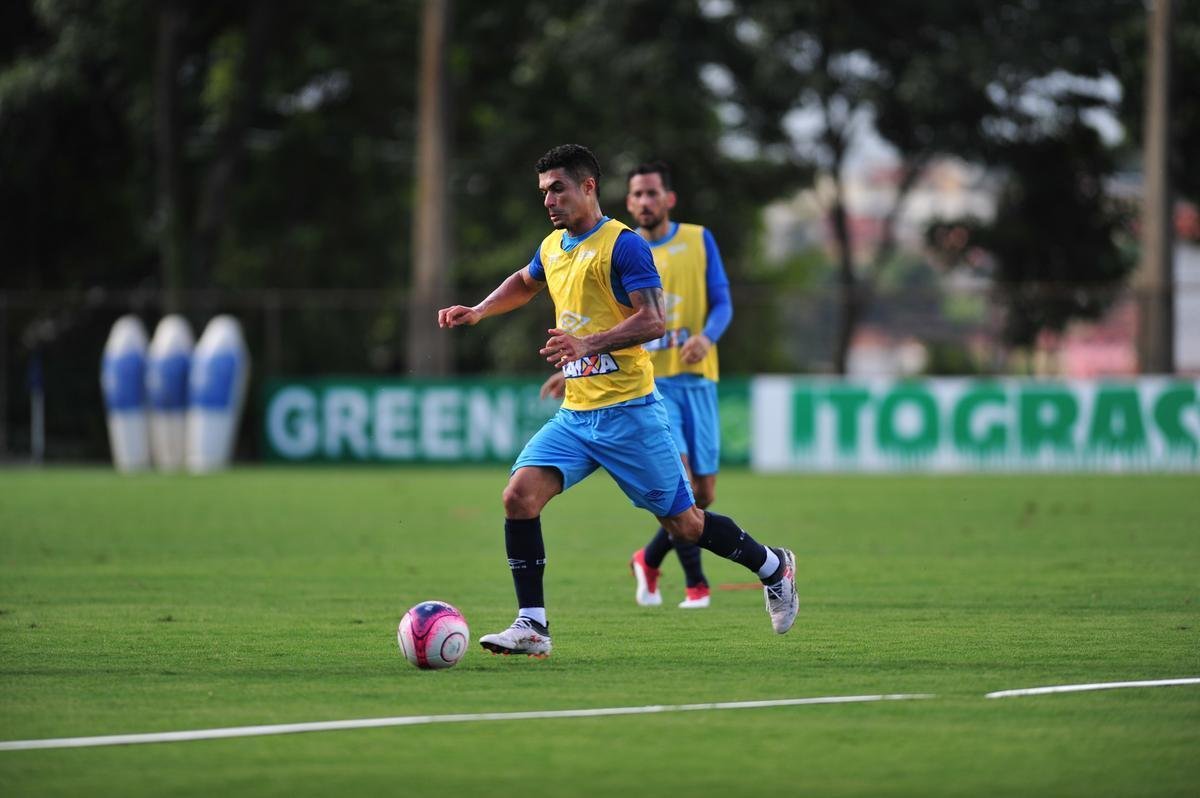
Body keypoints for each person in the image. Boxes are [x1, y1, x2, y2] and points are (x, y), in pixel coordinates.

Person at [437, 144, 797, 658]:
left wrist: (586, 344)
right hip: (577, 416)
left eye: (558, 188)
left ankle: (773, 566)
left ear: (588, 187)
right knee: (519, 497)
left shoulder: (622, 246)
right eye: (544, 192)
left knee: (687, 524)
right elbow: (524, 281)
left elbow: (654, 320)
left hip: (631, 414)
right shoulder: (554, 247)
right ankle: (532, 625)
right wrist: (478, 310)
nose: (549, 200)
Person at [541, 160, 730, 610]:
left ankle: (647, 559)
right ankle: (696, 585)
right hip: (649, 385)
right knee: (680, 485)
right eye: (637, 195)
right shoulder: (616, 246)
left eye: (651, 194)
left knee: (702, 495)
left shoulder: (697, 240)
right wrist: (569, 368)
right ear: (627, 201)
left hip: (697, 381)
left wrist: (706, 337)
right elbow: (587, 323)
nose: (644, 202)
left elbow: (722, 302)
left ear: (668, 198)